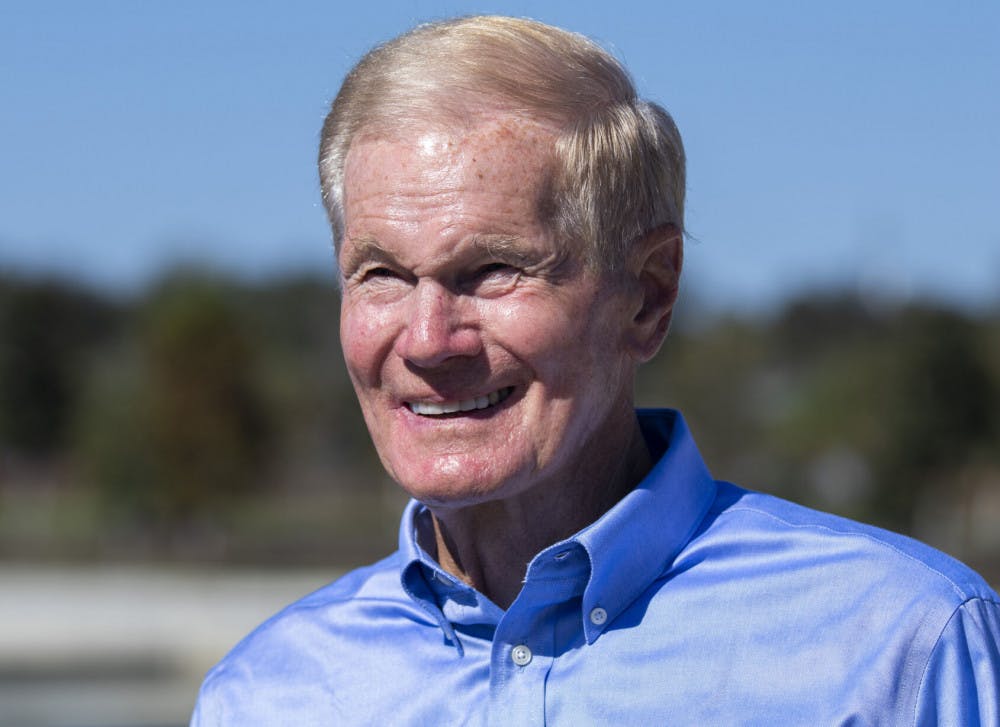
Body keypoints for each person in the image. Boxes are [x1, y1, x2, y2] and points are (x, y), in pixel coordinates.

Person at [192, 16, 1000, 725]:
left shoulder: (902, 648)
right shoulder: (265, 695)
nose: (430, 340)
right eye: (382, 275)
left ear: (648, 295)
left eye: (493, 270)